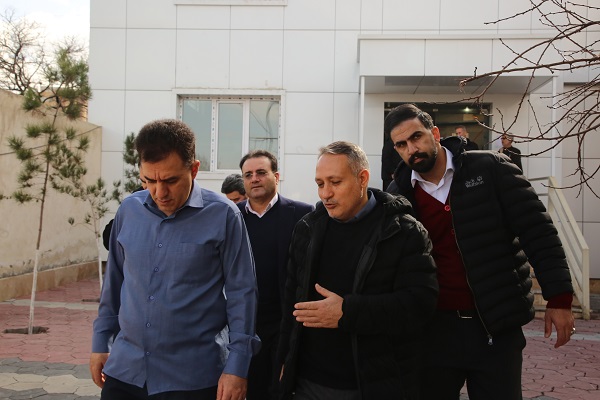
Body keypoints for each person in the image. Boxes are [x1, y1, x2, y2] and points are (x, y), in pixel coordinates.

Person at [385, 103, 575, 400]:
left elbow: (537, 230)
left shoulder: (490, 167)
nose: (412, 149)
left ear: (435, 133)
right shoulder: (398, 195)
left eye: (417, 137)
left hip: (495, 326)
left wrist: (559, 299)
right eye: (401, 144)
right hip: (433, 332)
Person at [90, 119, 260, 400]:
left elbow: (242, 294)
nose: (159, 193)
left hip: (192, 378)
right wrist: (101, 341)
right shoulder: (129, 210)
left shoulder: (224, 215)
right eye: (149, 180)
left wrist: (237, 367)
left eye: (170, 180)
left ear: (194, 169)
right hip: (125, 370)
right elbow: (115, 282)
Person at [277, 141, 439, 400]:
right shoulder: (307, 228)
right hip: (307, 384)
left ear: (362, 178)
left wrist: (348, 312)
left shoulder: (403, 231)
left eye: (335, 182)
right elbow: (290, 304)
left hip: (372, 386)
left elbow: (420, 304)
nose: (325, 193)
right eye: (320, 184)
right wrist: (285, 360)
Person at [237, 150, 313, 400]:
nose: (254, 179)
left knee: (283, 390)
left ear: (276, 176)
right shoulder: (231, 216)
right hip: (245, 322)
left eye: (261, 172)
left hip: (286, 321)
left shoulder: (302, 214)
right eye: (248, 175)